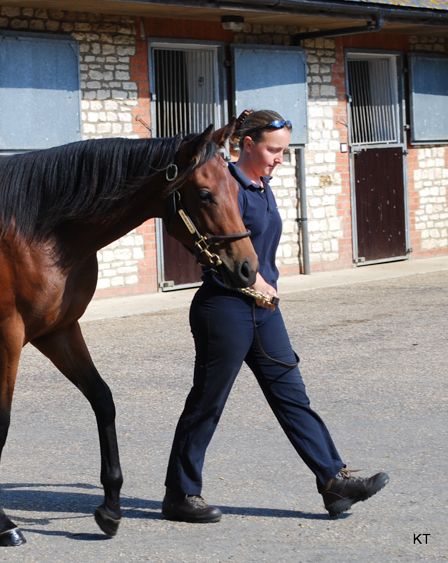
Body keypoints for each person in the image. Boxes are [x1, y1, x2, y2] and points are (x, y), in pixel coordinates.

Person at [162, 109, 389, 523]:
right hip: (224, 310)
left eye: (283, 150)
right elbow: (205, 245)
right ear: (247, 144)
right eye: (273, 150)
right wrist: (254, 283)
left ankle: (333, 483)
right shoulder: (222, 185)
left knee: (293, 398)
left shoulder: (261, 185)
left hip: (265, 313)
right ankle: (179, 494)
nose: (279, 158)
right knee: (207, 403)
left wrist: (268, 283)